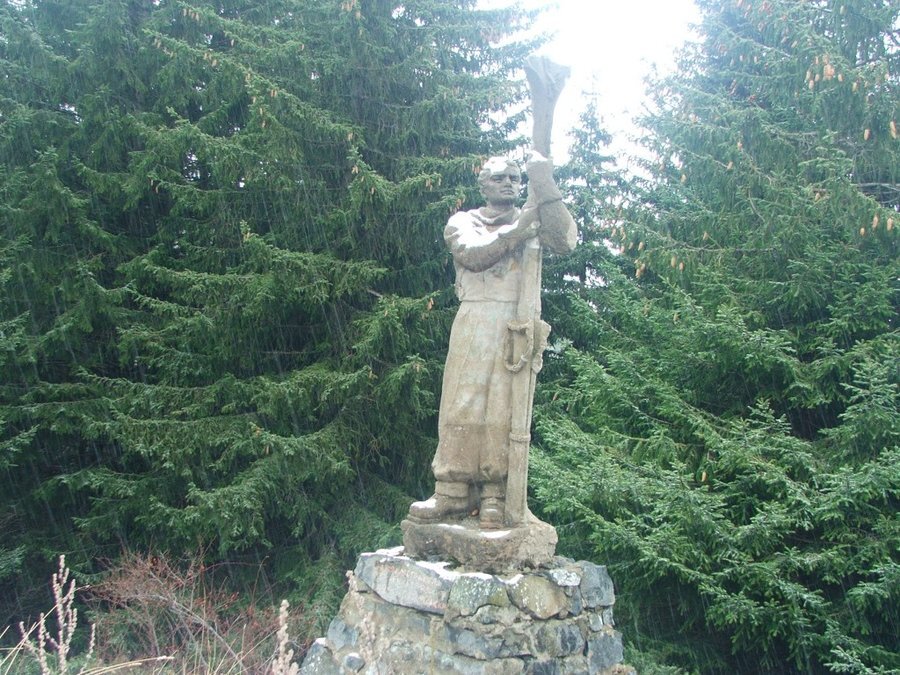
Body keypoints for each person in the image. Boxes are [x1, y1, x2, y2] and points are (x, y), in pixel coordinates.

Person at [408, 155, 577, 528]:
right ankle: (451, 490)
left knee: (502, 409)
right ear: (483, 184)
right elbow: (473, 255)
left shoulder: (532, 217)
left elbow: (565, 240)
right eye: (499, 177)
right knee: (461, 404)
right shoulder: (463, 221)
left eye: (515, 178)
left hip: (515, 322)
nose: (509, 183)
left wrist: (544, 182)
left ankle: (494, 495)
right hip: (475, 316)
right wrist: (519, 229)